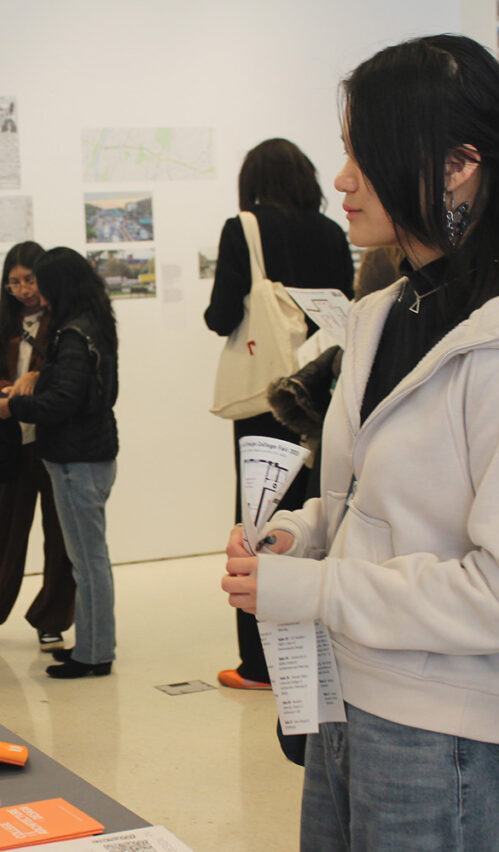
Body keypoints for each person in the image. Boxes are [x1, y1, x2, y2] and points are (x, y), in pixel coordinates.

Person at [222, 35, 499, 850]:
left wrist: (316, 591)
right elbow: (380, 502)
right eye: (346, 152)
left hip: (452, 742)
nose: (343, 180)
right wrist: (306, 531)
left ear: (459, 163)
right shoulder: (382, 315)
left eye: (367, 154)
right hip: (349, 698)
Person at [204, 137, 354, 691]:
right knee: (314, 513)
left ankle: (260, 664)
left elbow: (222, 316)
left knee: (261, 516)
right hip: (318, 391)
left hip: (266, 393)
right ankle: (315, 653)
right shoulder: (331, 231)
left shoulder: (243, 227)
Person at [0, 248, 118, 679]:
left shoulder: (73, 334)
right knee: (88, 558)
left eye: (41, 283)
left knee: (88, 561)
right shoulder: (94, 325)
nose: (35, 292)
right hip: (91, 455)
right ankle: (93, 644)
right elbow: (79, 390)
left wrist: (16, 408)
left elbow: (65, 402)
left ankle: (95, 654)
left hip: (75, 460)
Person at [0, 241, 75, 651]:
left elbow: (71, 378)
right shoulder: (0, 325)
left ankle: (52, 618)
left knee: (61, 536)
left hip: (55, 441)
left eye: (29, 280)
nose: (23, 290)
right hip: (8, 443)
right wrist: (2, 390)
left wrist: (37, 380)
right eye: (14, 283)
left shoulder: (64, 322)